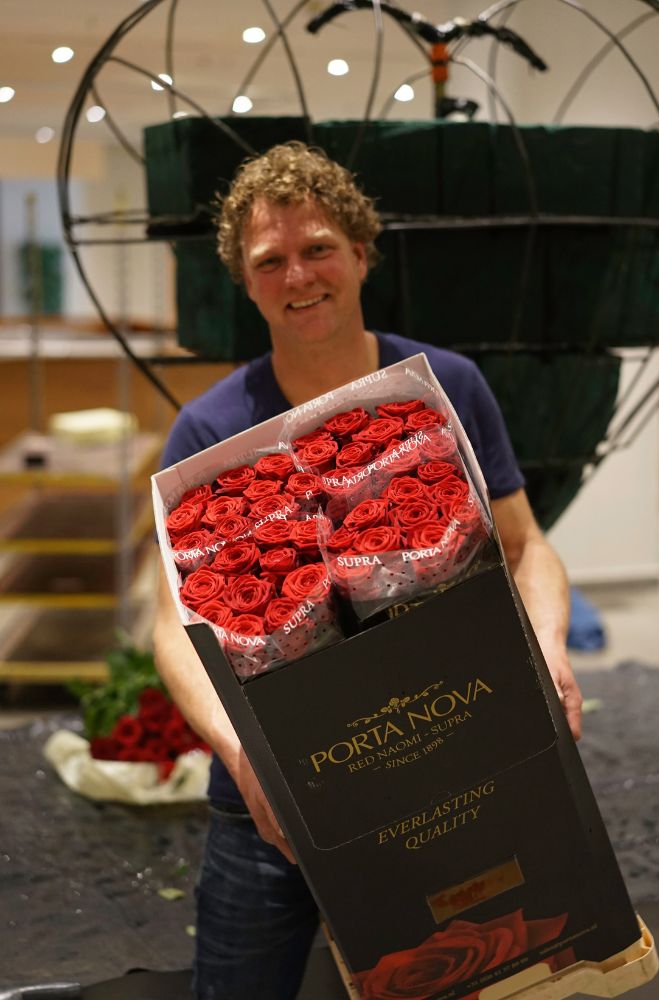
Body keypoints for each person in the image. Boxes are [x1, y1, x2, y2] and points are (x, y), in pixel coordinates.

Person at [153, 141, 583, 999]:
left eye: (317, 248)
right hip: (268, 799)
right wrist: (242, 756)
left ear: (361, 250)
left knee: (473, 978)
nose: (298, 276)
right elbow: (174, 623)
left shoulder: (443, 384)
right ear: (245, 281)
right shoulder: (209, 431)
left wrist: (550, 652)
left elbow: (526, 545)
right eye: (270, 261)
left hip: (443, 761)